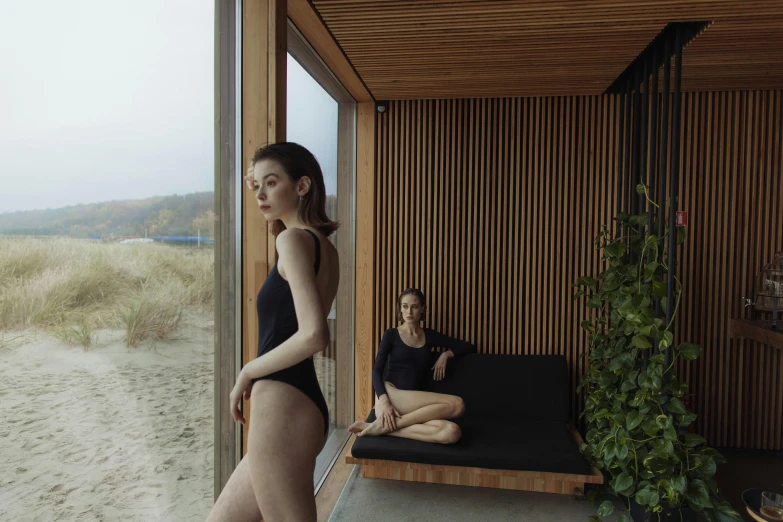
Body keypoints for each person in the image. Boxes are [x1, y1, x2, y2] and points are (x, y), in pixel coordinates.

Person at [207, 142, 339, 522]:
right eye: (256, 185)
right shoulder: (322, 247)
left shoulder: (292, 241)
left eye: (271, 183)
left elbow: (314, 335)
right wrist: (262, 180)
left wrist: (249, 370)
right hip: (298, 401)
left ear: (302, 186)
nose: (260, 194)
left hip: (282, 405)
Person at [348, 288, 475, 444]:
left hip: (412, 408)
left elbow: (467, 346)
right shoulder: (391, 335)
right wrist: (385, 402)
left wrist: (446, 354)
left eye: (414, 307)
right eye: (405, 306)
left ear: (422, 309)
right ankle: (382, 425)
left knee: (452, 433)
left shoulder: (429, 336)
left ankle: (381, 427)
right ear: (400, 308)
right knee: (457, 404)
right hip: (391, 396)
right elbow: (376, 371)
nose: (409, 312)